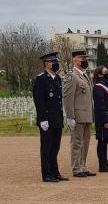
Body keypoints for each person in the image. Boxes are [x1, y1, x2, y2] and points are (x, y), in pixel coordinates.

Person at [33, 52, 68, 182]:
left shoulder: (57, 78)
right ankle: (47, 174)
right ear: (46, 64)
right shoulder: (41, 79)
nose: (56, 64)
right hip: (47, 119)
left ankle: (55, 172)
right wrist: (42, 118)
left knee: (55, 147)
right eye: (53, 62)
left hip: (57, 118)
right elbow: (39, 100)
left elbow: (58, 100)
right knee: (47, 148)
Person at [62, 50, 96, 177]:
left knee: (86, 142)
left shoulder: (85, 75)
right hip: (77, 115)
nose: (84, 60)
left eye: (85, 57)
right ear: (75, 59)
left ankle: (83, 166)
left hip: (87, 115)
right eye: (82, 57)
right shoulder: (72, 76)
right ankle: (76, 168)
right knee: (77, 142)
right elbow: (68, 98)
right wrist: (70, 117)